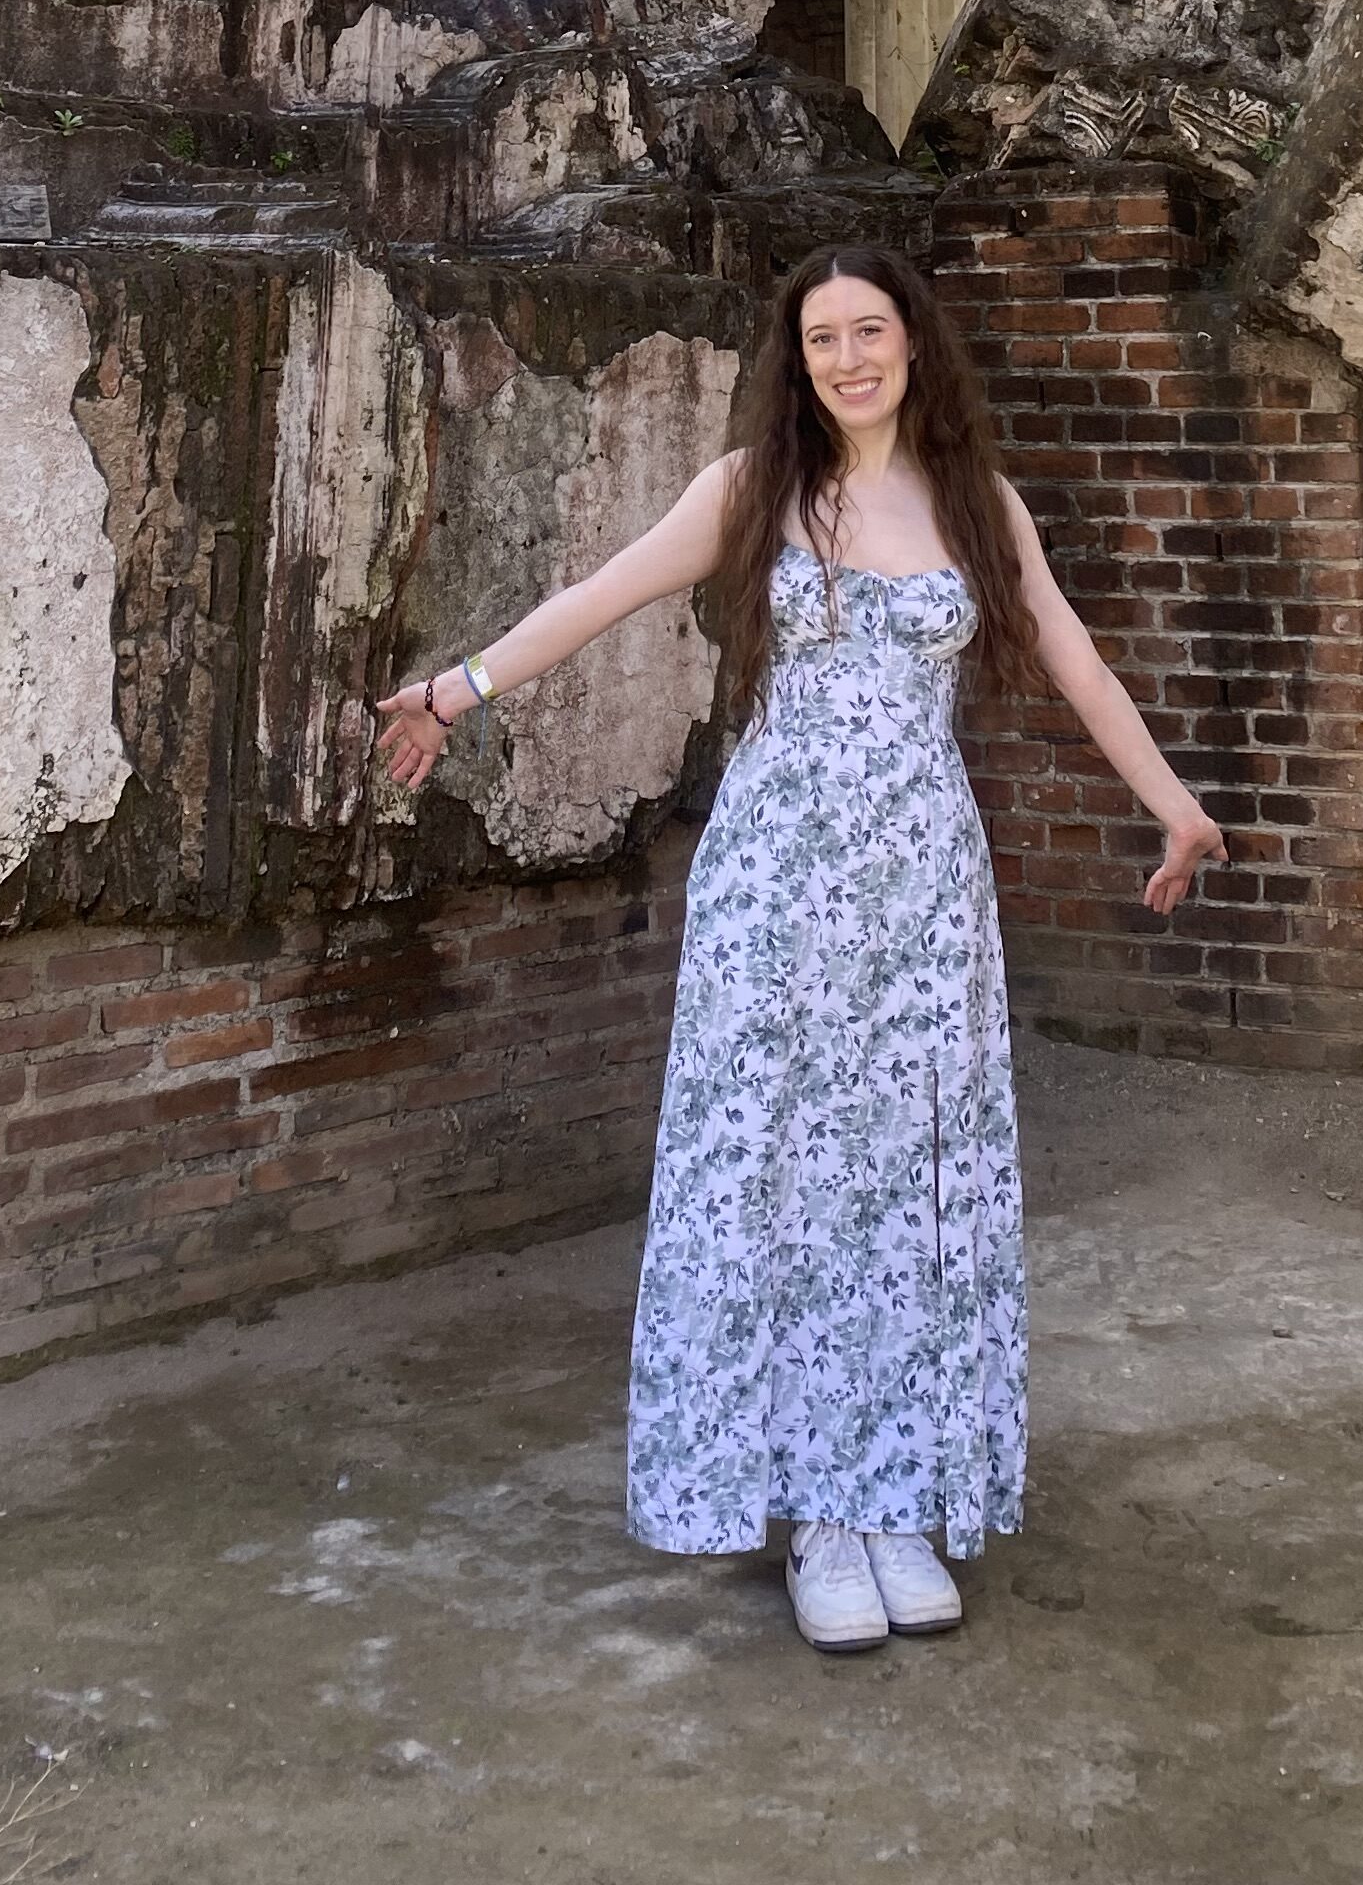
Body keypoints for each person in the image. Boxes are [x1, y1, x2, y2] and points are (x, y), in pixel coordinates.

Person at [374, 240, 1225, 1655]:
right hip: (780, 892)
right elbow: (602, 594)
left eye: (870, 329)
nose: (848, 357)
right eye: (822, 337)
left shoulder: (978, 503)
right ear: (799, 361)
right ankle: (818, 1512)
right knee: (789, 1184)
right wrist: (456, 690)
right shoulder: (752, 492)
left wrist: (1177, 808)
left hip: (924, 895)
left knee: (911, 1189)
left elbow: (1073, 656)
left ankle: (896, 1497)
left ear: (913, 345)